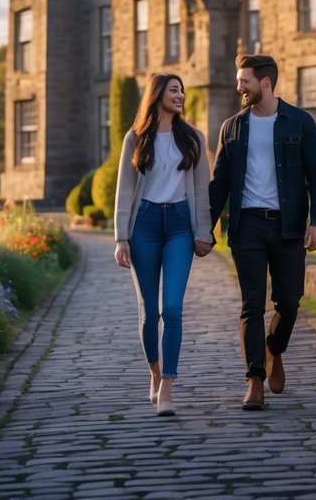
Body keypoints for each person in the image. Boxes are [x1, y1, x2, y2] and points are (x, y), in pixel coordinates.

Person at [209, 54, 316, 410]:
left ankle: (274, 348)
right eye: (238, 81)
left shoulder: (300, 123)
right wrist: (204, 228)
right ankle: (254, 381)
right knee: (251, 305)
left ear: (265, 83)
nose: (238, 87)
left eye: (244, 81)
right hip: (247, 226)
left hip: (289, 226)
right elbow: (219, 184)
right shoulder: (232, 127)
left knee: (289, 303)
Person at [114, 73, 214, 417]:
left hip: (179, 228)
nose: (181, 95)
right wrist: (120, 238)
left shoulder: (194, 139)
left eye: (182, 90)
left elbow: (202, 190)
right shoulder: (135, 139)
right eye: (174, 89)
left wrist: (204, 232)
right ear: (157, 94)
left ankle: (168, 387)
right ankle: (153, 373)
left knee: (172, 308)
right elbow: (124, 190)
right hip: (142, 225)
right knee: (149, 313)